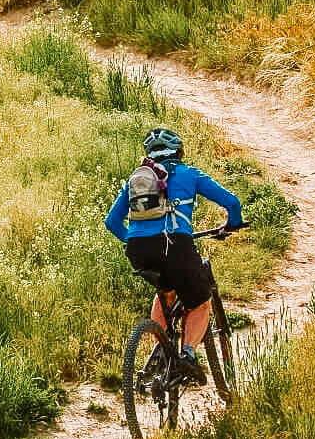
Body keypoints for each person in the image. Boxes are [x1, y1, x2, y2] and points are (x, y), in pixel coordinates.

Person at [104, 126, 243, 380]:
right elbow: (232, 202)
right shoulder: (189, 174)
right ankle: (188, 354)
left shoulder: (136, 180)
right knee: (200, 302)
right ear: (179, 152)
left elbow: (111, 222)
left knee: (165, 291)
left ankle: (161, 348)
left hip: (138, 249)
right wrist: (233, 222)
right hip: (175, 245)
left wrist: (133, 240)